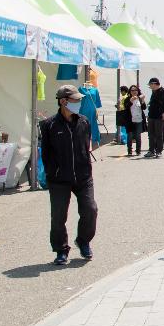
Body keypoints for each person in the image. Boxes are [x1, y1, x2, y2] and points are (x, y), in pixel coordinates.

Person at [41, 85, 97, 265]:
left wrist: (86, 167)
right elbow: (46, 154)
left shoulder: (84, 121)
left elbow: (85, 146)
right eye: (75, 100)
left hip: (83, 176)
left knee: (90, 209)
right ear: (64, 101)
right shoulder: (49, 125)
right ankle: (61, 249)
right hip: (59, 179)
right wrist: (53, 172)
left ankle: (83, 241)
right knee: (58, 216)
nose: (79, 103)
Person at [147, 77, 164, 158]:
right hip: (151, 115)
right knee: (151, 134)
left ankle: (159, 151)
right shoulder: (153, 91)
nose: (150, 86)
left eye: (150, 84)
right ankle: (151, 150)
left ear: (154, 84)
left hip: (159, 116)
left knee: (159, 134)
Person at [125, 84, 147, 156]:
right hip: (130, 120)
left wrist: (143, 100)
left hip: (139, 119)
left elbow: (144, 108)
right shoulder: (127, 99)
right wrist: (131, 101)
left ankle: (138, 150)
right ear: (130, 91)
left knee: (138, 136)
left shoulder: (140, 98)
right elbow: (126, 107)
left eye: (135, 90)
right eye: (132, 90)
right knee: (130, 136)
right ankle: (129, 151)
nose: (134, 92)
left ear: (138, 91)